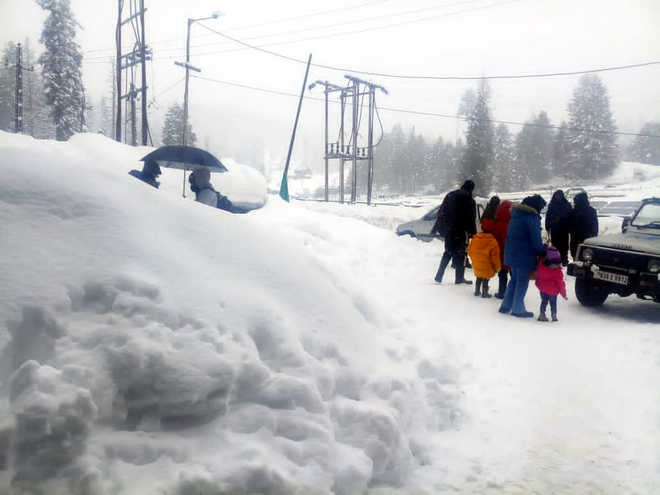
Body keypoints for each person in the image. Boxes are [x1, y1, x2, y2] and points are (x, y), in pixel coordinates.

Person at [498, 194, 547, 318]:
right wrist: (543, 250)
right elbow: (536, 240)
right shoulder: (531, 218)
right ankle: (518, 309)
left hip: (512, 253)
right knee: (522, 282)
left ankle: (505, 305)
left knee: (514, 280)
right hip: (524, 255)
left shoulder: (515, 215)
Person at [433, 180, 477, 285]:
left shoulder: (450, 195)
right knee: (461, 254)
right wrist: (472, 233)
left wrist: (443, 227)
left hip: (449, 229)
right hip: (461, 231)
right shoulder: (469, 199)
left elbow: (441, 211)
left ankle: (439, 276)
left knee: (448, 252)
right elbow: (471, 218)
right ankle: (459, 278)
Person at [467, 219, 501, 298]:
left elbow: (470, 250)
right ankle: (485, 293)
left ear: (482, 228)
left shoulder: (475, 239)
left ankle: (477, 291)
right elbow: (495, 257)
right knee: (485, 279)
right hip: (487, 266)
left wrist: (474, 260)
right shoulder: (493, 242)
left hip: (477, 264)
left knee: (478, 277)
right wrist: (497, 267)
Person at [535, 246, 567, 322]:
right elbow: (560, 283)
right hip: (553, 292)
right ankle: (554, 315)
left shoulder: (541, 266)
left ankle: (542, 314)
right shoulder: (557, 271)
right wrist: (564, 294)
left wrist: (538, 285)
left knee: (544, 302)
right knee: (553, 304)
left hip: (543, 290)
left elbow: (538, 277)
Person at [545, 190, 572, 265]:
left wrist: (563, 220)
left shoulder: (567, 204)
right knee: (555, 245)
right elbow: (548, 217)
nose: (558, 197)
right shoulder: (551, 205)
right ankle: (556, 259)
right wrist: (547, 226)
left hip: (564, 228)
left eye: (560, 195)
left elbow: (570, 216)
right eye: (557, 195)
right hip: (555, 228)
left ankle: (564, 259)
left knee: (564, 245)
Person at [492, 200, 513, 299]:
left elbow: (494, 239)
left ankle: (501, 292)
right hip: (512, 253)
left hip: (501, 253)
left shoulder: (496, 224)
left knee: (502, 273)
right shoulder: (514, 223)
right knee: (514, 275)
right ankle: (514, 292)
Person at [570, 191, 598, 259]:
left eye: (576, 201)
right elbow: (595, 228)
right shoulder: (591, 211)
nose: (574, 202)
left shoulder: (574, 211)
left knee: (580, 257)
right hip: (583, 240)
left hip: (583, 240)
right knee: (583, 258)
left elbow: (594, 227)